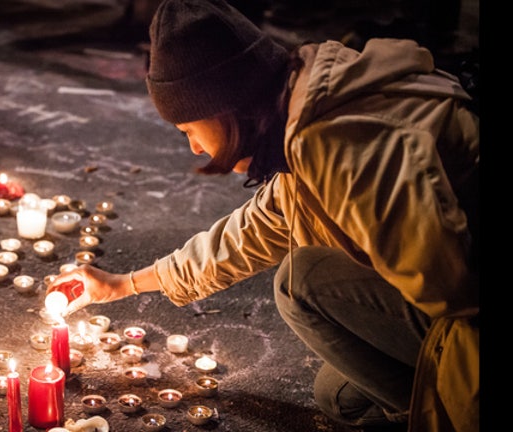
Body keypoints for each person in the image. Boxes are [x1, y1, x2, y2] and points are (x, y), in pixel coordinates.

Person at [47, 0, 479, 431]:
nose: (194, 148)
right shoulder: (302, 108)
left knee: (302, 280)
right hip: (442, 293)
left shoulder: (337, 142)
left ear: (224, 109)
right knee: (337, 396)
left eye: (189, 130)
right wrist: (123, 285)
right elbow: (253, 231)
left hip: (465, 308)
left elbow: (459, 297)